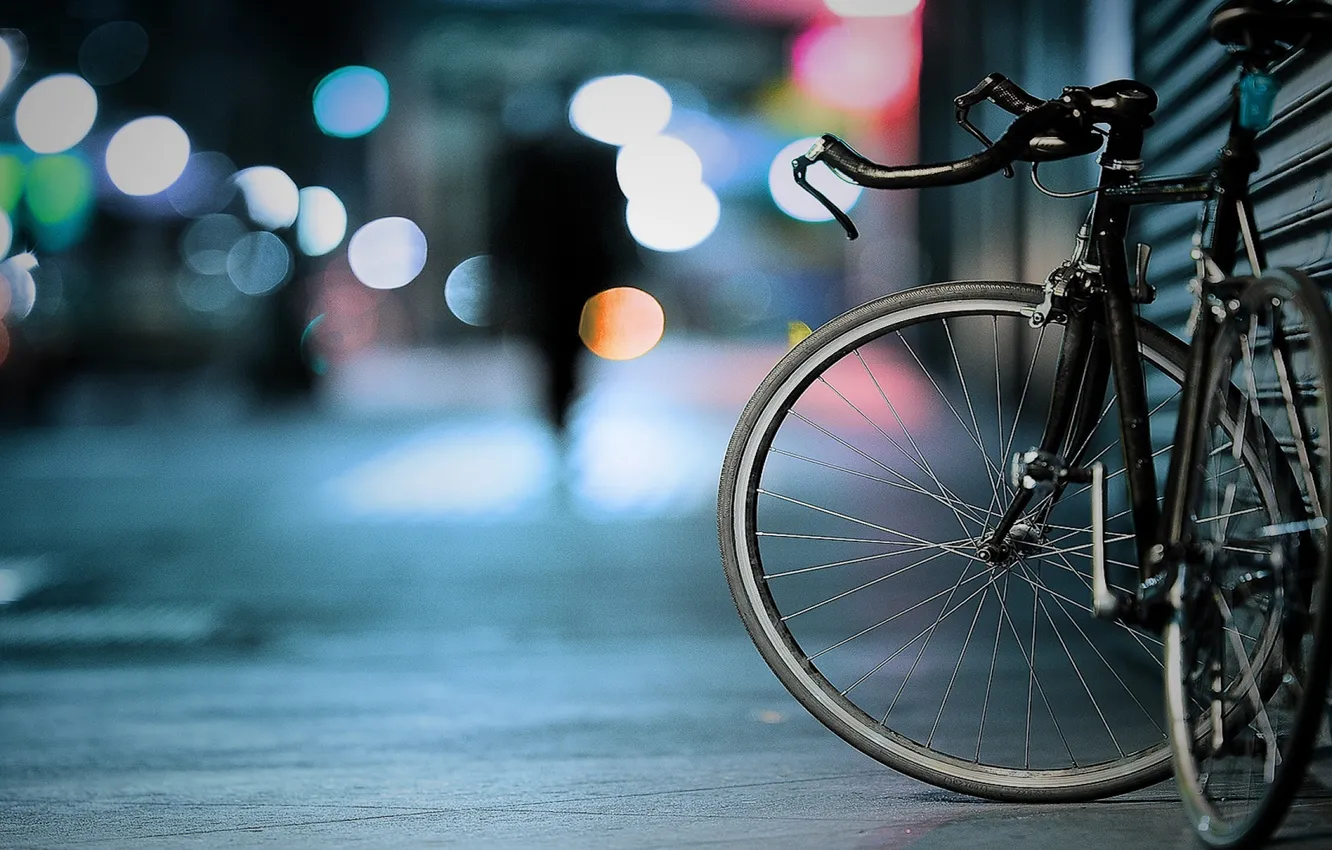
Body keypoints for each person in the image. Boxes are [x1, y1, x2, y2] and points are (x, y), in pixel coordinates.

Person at [487, 127, 637, 430]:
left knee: (553, 342)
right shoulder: (593, 161)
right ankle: (562, 401)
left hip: (549, 271)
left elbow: (508, 221)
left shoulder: (528, 164)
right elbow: (613, 219)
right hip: (576, 269)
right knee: (568, 341)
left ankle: (559, 403)